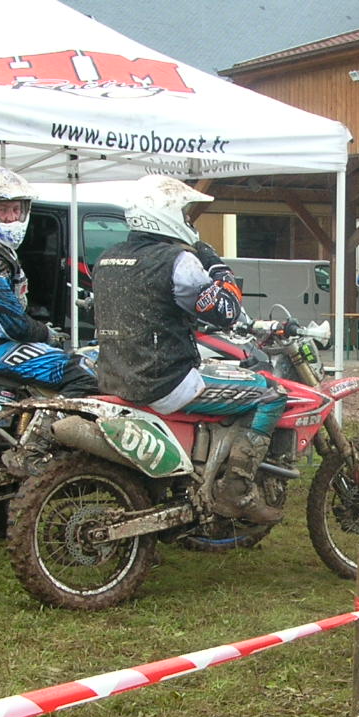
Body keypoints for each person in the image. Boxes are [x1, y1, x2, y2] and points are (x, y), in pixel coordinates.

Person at [92, 175, 288, 524]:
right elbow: (225, 311)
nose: (188, 221)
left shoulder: (108, 258)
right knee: (271, 392)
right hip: (164, 381)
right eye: (183, 212)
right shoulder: (177, 261)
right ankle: (237, 492)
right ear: (164, 212)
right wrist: (216, 265)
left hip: (115, 376)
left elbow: (154, 306)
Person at [0, 168, 99, 396]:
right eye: (2, 210)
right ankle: (51, 430)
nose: (11, 217)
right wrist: (45, 333)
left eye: (16, 209)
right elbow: (11, 324)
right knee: (84, 373)